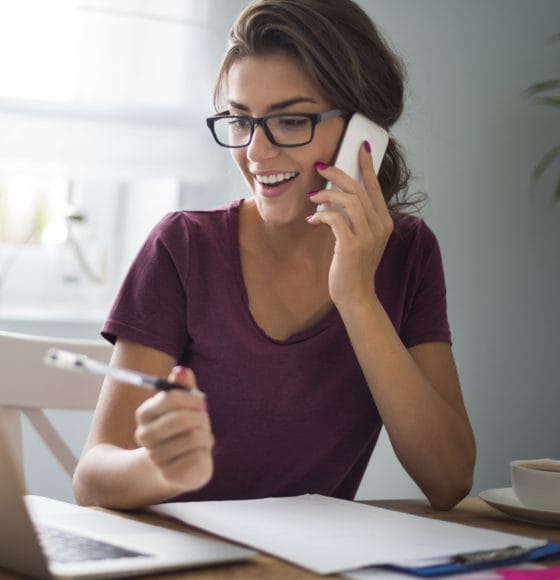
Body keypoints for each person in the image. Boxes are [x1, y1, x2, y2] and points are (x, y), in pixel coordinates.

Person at [72, 0, 476, 511]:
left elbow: (449, 478)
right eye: (241, 122)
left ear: (363, 135)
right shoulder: (183, 248)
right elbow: (91, 478)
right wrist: (159, 466)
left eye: (289, 121)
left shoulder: (408, 254)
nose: (257, 154)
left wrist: (356, 297)